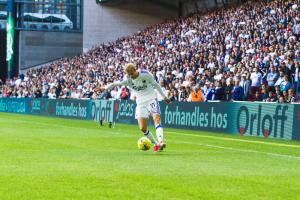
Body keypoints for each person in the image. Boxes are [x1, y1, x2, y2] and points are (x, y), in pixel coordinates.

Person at [96, 63, 171, 152]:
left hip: (152, 99)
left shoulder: (146, 74)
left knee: (157, 119)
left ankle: (161, 141)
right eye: (129, 75)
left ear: (135, 70)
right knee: (143, 128)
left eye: (132, 74)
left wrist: (164, 97)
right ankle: (156, 144)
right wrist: (104, 88)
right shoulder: (127, 79)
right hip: (140, 103)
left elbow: (156, 85)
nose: (131, 76)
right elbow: (114, 84)